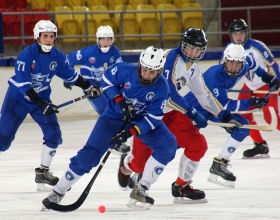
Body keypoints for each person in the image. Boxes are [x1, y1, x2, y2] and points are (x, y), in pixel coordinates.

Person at [41, 46, 177, 210]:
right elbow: (106, 81)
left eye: (152, 72)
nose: (147, 74)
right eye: (145, 69)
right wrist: (120, 102)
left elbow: (153, 118)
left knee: (168, 145)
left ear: (160, 71)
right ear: (140, 65)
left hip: (141, 120)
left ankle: (141, 189)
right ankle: (59, 190)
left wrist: (129, 132)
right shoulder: (124, 70)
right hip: (112, 117)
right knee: (89, 155)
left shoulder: (162, 87)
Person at [117, 28, 243, 204]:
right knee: (139, 164)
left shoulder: (193, 68)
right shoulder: (169, 59)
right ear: (183, 45)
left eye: (197, 49)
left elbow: (204, 95)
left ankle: (181, 186)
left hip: (171, 114)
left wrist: (224, 115)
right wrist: (191, 112)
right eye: (190, 47)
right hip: (148, 116)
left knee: (198, 145)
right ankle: (126, 166)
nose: (193, 52)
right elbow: (167, 94)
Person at [0, 20, 100, 191]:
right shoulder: (26, 55)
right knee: (3, 140)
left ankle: (42, 173)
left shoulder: (58, 57)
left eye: (51, 36)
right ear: (37, 37)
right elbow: (24, 85)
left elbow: (71, 76)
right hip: (18, 99)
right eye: (45, 36)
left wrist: (88, 86)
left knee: (53, 135)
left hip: (42, 98)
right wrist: (40, 103)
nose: (48, 40)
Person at [185, 43, 279, 188]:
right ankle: (141, 170)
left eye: (238, 63)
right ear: (225, 61)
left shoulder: (244, 64)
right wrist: (252, 101)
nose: (234, 66)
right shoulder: (213, 76)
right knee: (174, 143)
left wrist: (268, 78)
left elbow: (253, 65)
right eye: (231, 62)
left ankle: (219, 164)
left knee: (241, 127)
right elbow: (223, 106)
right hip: (194, 109)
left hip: (215, 109)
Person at [64, 25, 129, 154]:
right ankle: (114, 140)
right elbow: (69, 59)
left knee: (118, 110)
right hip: (91, 88)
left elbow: (120, 68)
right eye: (102, 39)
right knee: (105, 111)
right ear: (97, 40)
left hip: (108, 86)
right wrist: (68, 77)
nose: (105, 43)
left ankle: (117, 138)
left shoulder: (114, 51)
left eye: (108, 39)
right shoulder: (88, 52)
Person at [227, 19, 280, 158]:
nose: (238, 37)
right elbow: (224, 70)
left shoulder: (257, 46)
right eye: (235, 33)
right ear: (231, 35)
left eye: (241, 33)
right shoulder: (229, 50)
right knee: (242, 116)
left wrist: (277, 81)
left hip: (266, 86)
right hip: (249, 87)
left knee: (271, 119)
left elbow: (273, 64)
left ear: (246, 34)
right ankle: (260, 145)